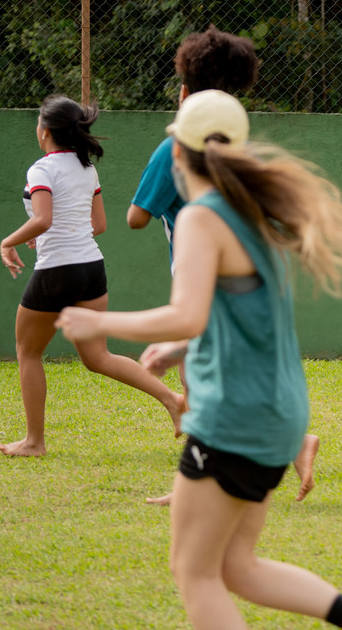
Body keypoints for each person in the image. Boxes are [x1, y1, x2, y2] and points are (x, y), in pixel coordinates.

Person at [56, 91, 342, 630]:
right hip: (279, 414)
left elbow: (188, 314)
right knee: (236, 567)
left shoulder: (202, 217)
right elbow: (236, 310)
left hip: (234, 417)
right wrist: (179, 346)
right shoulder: (251, 212)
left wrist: (99, 322)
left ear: (178, 152)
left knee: (194, 573)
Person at [129, 25, 318, 504]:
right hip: (247, 278)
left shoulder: (177, 151)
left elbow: (135, 218)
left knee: (203, 377)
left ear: (185, 91)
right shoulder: (242, 146)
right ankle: (290, 444)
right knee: (228, 372)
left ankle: (197, 480)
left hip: (201, 275)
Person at [0, 95, 184, 457]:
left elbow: (43, 219)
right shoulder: (87, 169)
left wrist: (9, 242)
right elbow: (98, 225)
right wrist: (49, 232)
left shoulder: (41, 169)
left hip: (57, 271)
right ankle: (172, 400)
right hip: (91, 270)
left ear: (45, 131)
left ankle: (34, 442)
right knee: (98, 357)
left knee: (28, 352)